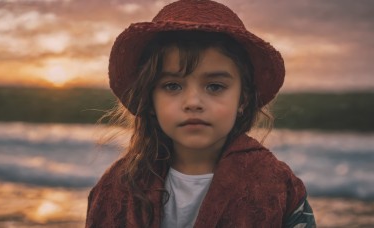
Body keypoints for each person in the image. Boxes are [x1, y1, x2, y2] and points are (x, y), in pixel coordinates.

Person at [86, 0, 316, 227]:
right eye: (172, 86)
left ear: (243, 99)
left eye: (215, 86)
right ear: (150, 98)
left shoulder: (277, 186)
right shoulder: (116, 188)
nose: (193, 102)